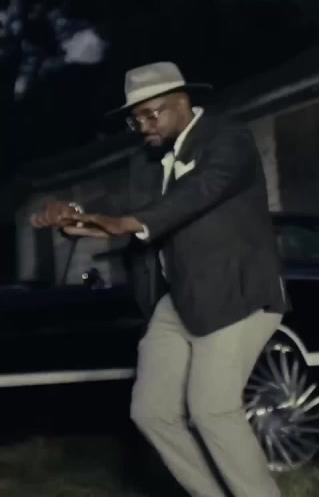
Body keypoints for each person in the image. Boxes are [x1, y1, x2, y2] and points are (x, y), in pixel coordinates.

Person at [29, 61, 289, 497]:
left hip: (237, 291)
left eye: (152, 115)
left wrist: (126, 221)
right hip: (178, 298)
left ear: (183, 102)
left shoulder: (228, 140)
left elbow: (199, 192)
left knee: (212, 410)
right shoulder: (146, 162)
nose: (144, 127)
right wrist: (72, 215)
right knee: (152, 411)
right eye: (136, 120)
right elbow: (116, 211)